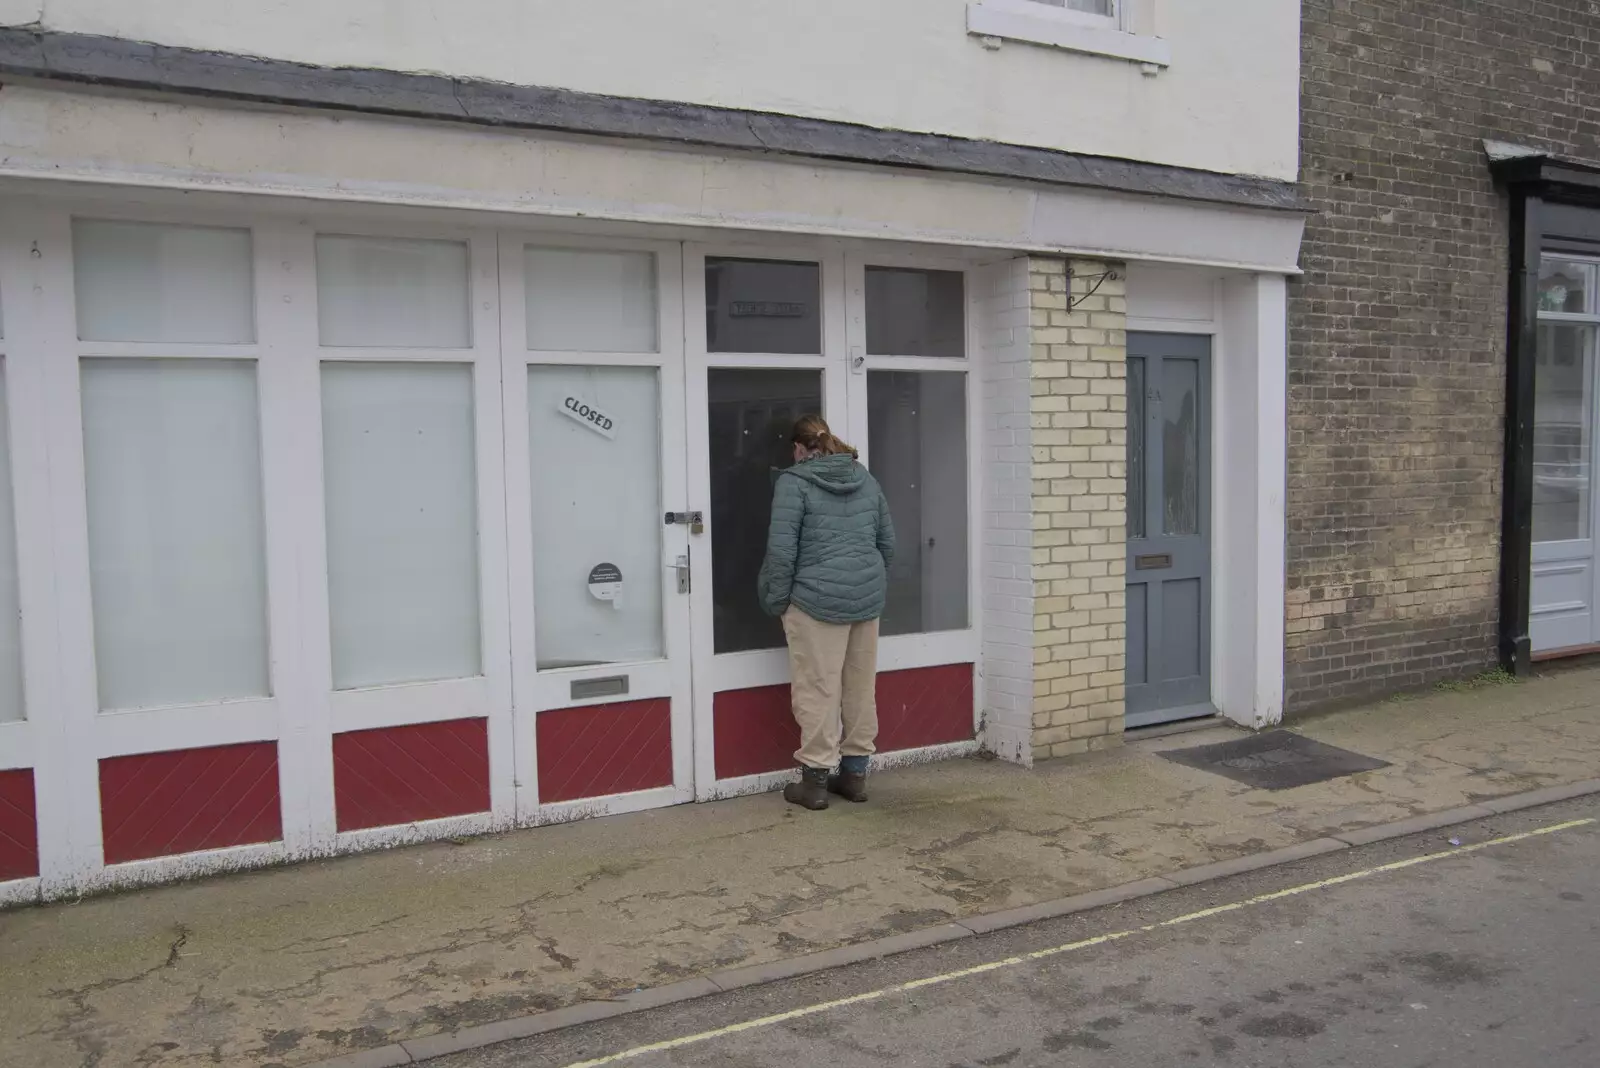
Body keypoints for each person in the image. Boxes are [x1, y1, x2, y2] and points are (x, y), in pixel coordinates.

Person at [757, 413, 895, 810]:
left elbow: (782, 554)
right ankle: (854, 776)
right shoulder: (864, 478)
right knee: (859, 687)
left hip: (814, 603)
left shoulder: (794, 482)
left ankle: (815, 782)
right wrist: (867, 582)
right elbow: (889, 544)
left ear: (799, 448)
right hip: (865, 602)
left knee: (817, 687)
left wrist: (777, 601)